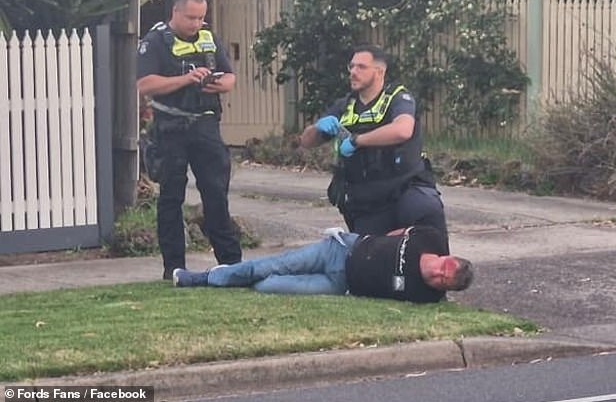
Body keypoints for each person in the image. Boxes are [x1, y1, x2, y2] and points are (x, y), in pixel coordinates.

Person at [137, 0, 242, 279]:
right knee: (171, 197)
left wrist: (219, 83)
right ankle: (174, 267)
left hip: (206, 125)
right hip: (170, 128)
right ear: (175, 12)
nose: (196, 24)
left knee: (216, 194)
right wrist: (185, 79)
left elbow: (230, 77)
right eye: (191, 18)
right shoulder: (155, 41)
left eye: (201, 18)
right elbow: (145, 85)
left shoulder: (209, 38)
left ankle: (232, 264)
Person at [300, 44, 446, 238]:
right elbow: (306, 142)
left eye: (361, 67)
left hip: (405, 187)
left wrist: (357, 140)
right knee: (371, 258)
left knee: (425, 213)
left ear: (379, 71)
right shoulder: (345, 105)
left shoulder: (398, 98)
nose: (353, 72)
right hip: (368, 200)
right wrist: (317, 127)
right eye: (351, 67)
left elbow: (402, 130)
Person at [173, 225, 474, 304]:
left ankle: (231, 277)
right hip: (341, 250)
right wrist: (378, 242)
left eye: (441, 280)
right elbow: (401, 232)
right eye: (443, 266)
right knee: (265, 267)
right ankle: (200, 278)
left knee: (269, 286)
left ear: (444, 288)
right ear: (447, 256)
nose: (436, 273)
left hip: (340, 285)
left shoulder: (427, 296)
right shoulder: (431, 238)